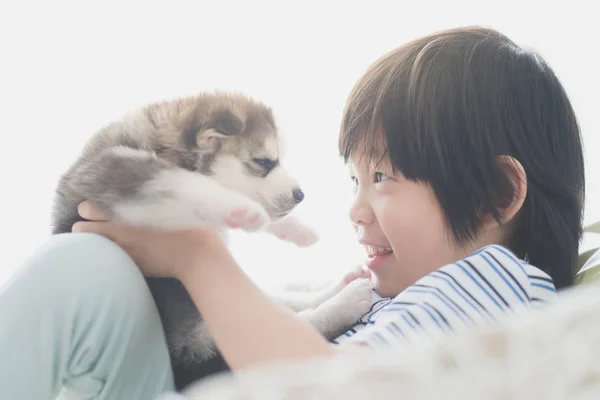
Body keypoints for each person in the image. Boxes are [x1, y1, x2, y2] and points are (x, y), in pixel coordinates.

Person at [0, 26, 585, 399]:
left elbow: (333, 387)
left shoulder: (499, 281)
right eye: (355, 179)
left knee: (82, 271)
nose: (356, 209)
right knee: (93, 268)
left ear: (496, 195)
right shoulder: (417, 296)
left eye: (383, 177)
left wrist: (198, 257)